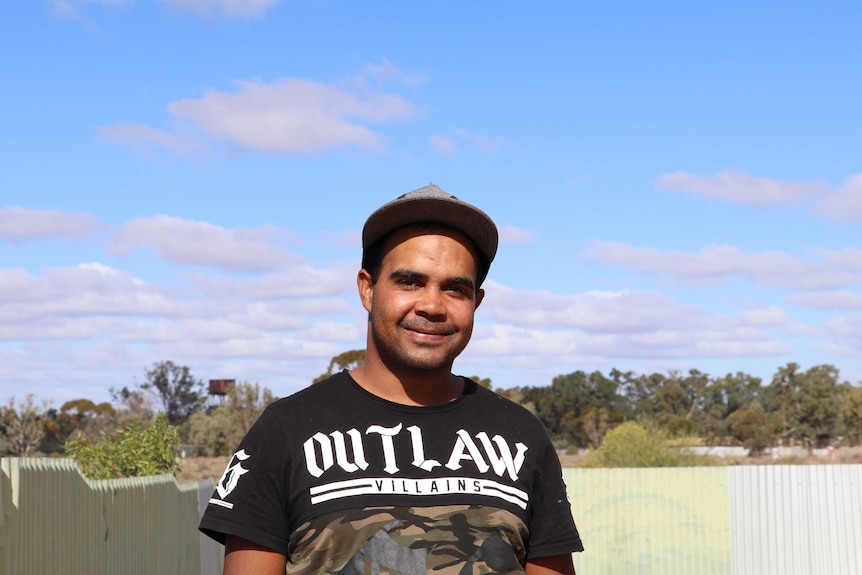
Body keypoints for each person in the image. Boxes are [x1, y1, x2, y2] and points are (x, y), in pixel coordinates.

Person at [199, 184, 584, 575]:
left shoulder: (521, 436)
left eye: (455, 288)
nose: (432, 306)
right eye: (409, 282)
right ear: (367, 288)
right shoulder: (284, 432)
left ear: (476, 303)